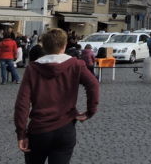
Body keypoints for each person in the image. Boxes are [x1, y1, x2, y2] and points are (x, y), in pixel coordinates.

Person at [14, 28, 99, 164]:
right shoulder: (76, 65)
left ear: (44, 46)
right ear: (64, 45)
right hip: (65, 129)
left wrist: (21, 133)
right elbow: (93, 84)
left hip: (39, 130)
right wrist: (90, 111)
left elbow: (22, 104)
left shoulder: (33, 68)